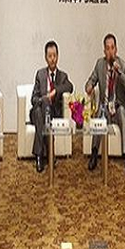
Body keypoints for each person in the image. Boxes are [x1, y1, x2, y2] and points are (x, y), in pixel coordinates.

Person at [85, 33, 125, 173]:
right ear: (104, 51)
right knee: (99, 115)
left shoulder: (123, 65)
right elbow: (91, 81)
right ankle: (94, 154)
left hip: (118, 106)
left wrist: (120, 73)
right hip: (105, 106)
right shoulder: (100, 64)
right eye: (107, 48)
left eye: (112, 48)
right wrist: (89, 87)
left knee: (123, 114)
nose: (110, 51)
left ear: (116, 49)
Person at [30, 40, 74, 173]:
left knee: (42, 113)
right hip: (38, 111)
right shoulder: (40, 74)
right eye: (50, 56)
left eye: (55, 55)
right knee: (40, 110)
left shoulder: (62, 76)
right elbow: (33, 99)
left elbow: (70, 87)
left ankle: (39, 155)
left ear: (58, 56)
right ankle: (49, 152)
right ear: (45, 58)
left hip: (53, 113)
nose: (52, 59)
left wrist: (56, 91)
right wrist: (44, 100)